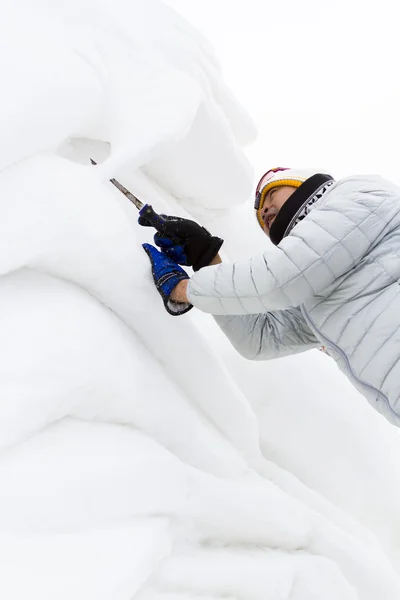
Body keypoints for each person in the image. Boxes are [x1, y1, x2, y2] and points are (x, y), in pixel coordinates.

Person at [140, 167, 400, 427]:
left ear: (302, 184)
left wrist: (183, 290)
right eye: (261, 218)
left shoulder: (360, 194)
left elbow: (280, 278)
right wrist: (207, 260)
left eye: (272, 193)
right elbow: (260, 338)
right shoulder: (316, 295)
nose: (264, 212)